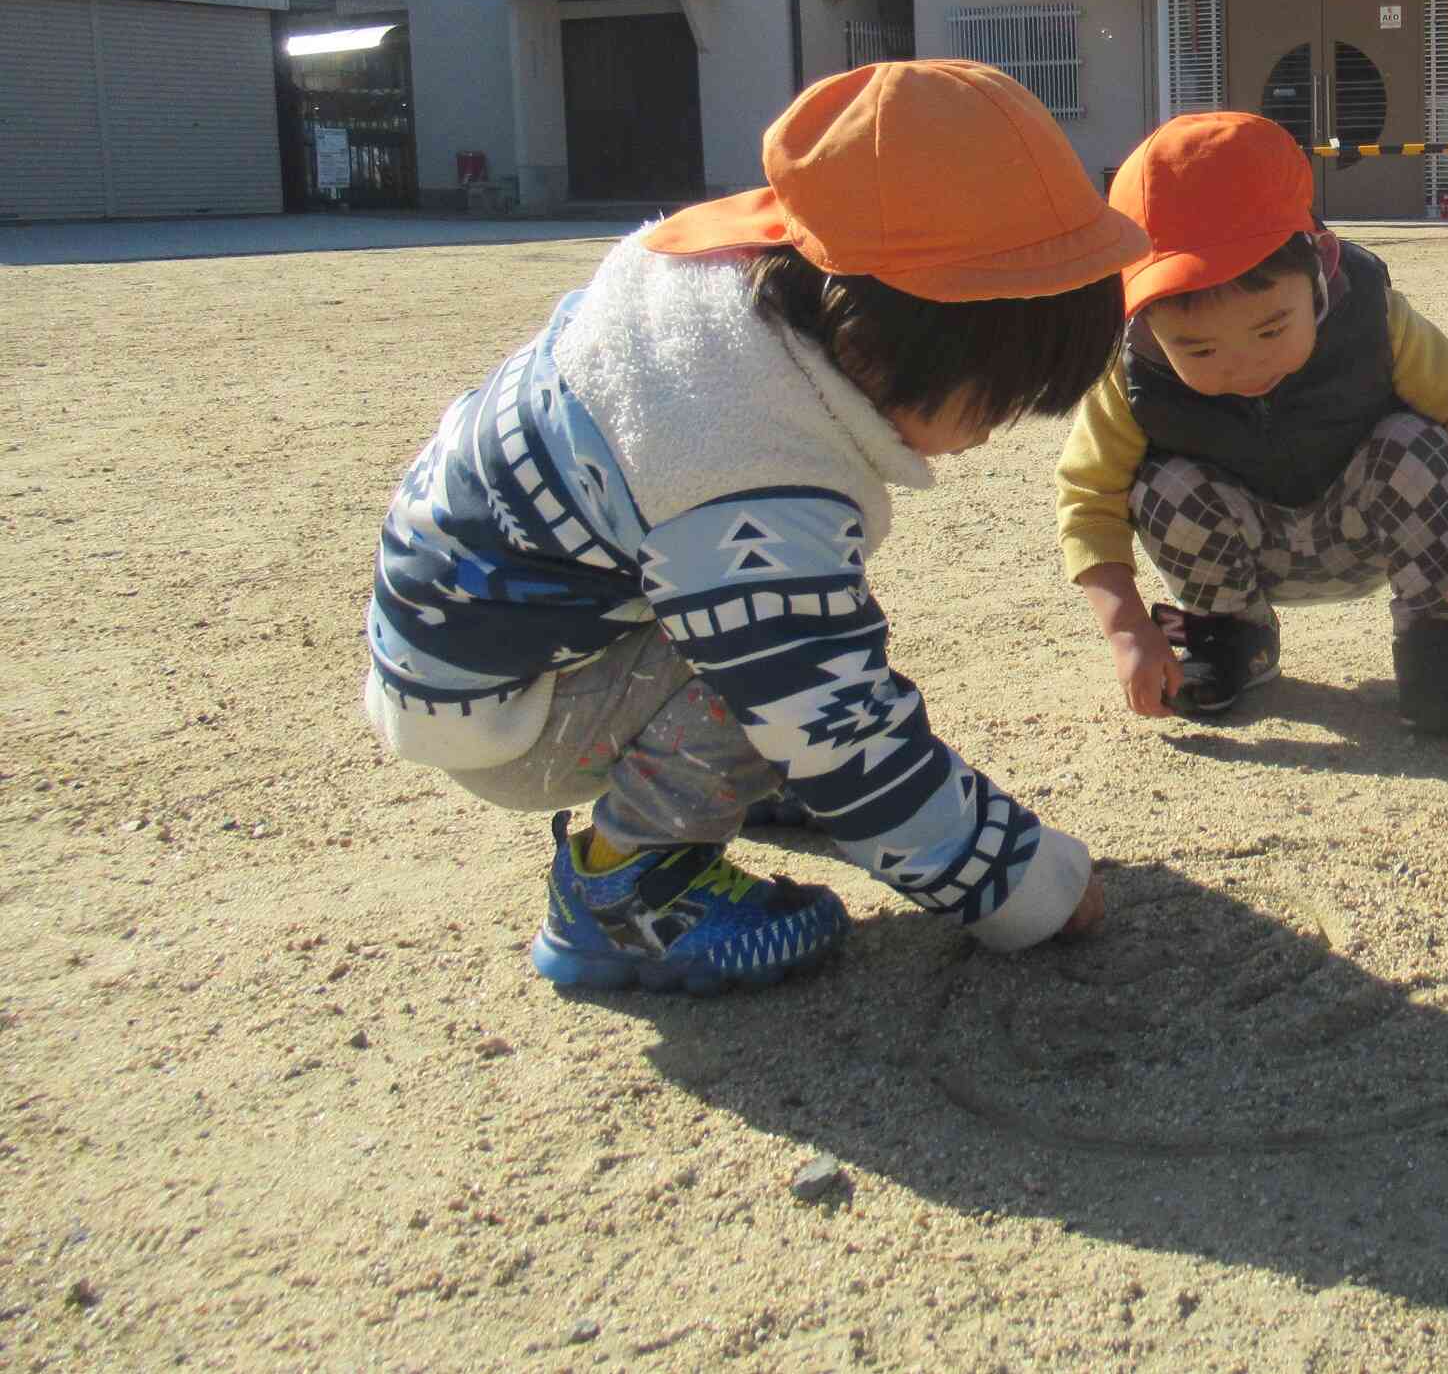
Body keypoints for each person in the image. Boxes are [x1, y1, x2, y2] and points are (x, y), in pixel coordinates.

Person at [360, 61, 1147, 993]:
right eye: (994, 402)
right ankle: (630, 893)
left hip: (464, 640)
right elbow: (833, 727)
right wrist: (1024, 887)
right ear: (876, 344)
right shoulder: (736, 461)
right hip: (518, 713)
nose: (988, 435)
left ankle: (723, 789)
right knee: (774, 668)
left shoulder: (728, 297)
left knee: (779, 624)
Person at [1057, 111, 1448, 735]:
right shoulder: (1132, 372)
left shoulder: (1376, 320)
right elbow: (1089, 497)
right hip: (1245, 552)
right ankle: (1232, 635)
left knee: (1416, 445)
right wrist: (1126, 628)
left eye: (1271, 328)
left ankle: (1434, 637)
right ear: (1142, 320)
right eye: (1198, 350)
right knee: (1160, 485)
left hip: (1365, 529)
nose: (1244, 363)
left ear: (1322, 267)